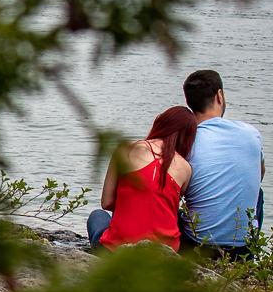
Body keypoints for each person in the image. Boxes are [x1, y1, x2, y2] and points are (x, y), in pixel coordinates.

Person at [176, 69, 265, 256]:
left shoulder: (186, 141)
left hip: (198, 244)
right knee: (258, 194)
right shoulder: (251, 133)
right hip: (242, 247)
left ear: (189, 102)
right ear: (219, 95)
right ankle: (249, 256)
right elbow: (259, 175)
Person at [85, 106, 198, 251]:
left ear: (160, 123)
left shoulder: (125, 149)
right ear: (188, 138)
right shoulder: (185, 168)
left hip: (118, 249)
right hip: (164, 253)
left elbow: (107, 203)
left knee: (98, 215)